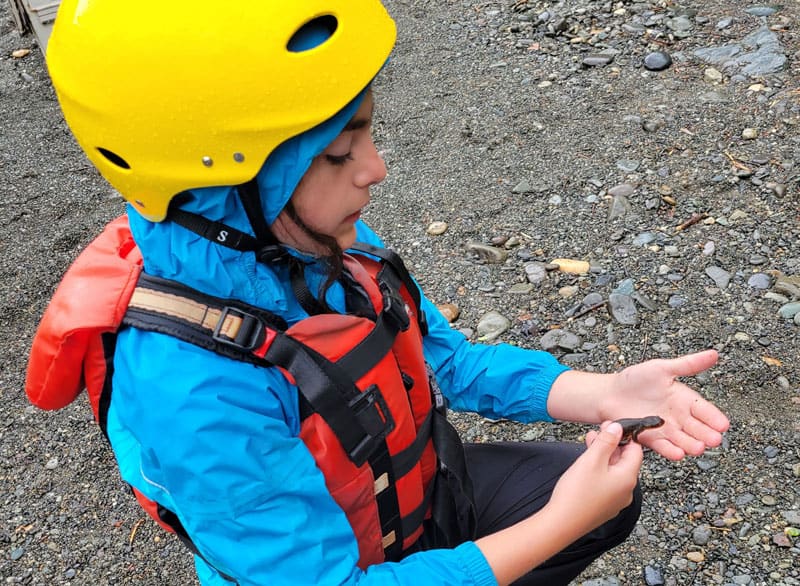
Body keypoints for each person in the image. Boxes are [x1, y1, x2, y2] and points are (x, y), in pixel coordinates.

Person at [26, 1, 730, 585]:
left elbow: (442, 361)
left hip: (416, 501)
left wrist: (602, 393)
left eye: (367, 136)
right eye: (339, 153)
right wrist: (556, 525)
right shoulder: (190, 392)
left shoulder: (312, 243)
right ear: (223, 191)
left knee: (610, 499)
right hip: (333, 568)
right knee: (579, 509)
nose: (376, 168)